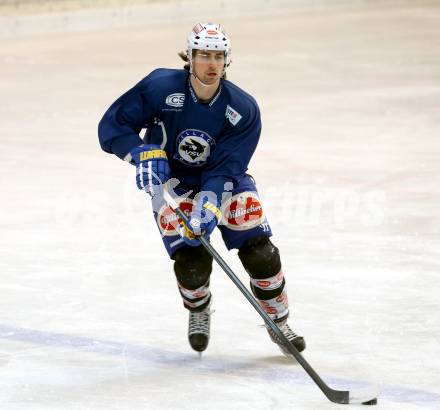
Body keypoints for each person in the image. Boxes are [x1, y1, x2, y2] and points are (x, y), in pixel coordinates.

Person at [98, 22, 305, 355]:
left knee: (260, 253)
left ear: (227, 61)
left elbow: (228, 165)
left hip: (224, 181)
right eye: (204, 55)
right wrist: (139, 153)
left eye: (219, 56)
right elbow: (113, 126)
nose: (212, 64)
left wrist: (210, 202)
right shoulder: (159, 87)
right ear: (189, 57)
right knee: (192, 264)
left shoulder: (243, 109)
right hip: (174, 185)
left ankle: (278, 322)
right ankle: (199, 309)